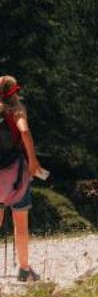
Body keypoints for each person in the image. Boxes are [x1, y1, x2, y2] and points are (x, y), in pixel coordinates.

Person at [0, 76, 45, 283]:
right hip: (16, 175)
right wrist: (33, 161)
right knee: (20, 224)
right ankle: (24, 269)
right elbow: (24, 131)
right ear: (14, 92)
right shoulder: (16, 111)